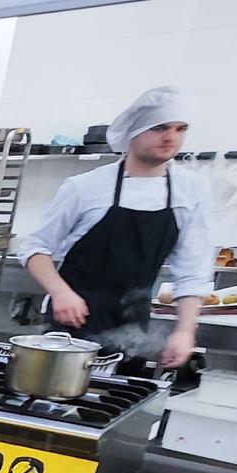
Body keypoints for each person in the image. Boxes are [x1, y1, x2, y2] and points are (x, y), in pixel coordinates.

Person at [19, 86, 213, 370]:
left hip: (134, 328)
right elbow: (35, 248)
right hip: (71, 321)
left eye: (180, 128)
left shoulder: (190, 191)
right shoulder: (86, 187)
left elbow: (193, 271)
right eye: (159, 128)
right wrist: (61, 293)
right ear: (134, 132)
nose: (171, 137)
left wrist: (185, 332)